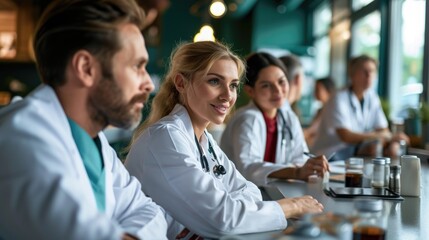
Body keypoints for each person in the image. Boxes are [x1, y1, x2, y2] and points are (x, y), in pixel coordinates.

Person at [0, 1, 180, 239]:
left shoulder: (97, 144)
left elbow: (149, 211)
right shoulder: (21, 134)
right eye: (137, 66)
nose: (148, 83)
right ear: (86, 68)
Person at [125, 41, 324, 238]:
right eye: (214, 81)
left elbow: (248, 191)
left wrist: (226, 207)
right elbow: (223, 218)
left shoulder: (205, 140)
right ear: (181, 83)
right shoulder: (165, 138)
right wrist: (291, 206)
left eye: (233, 85)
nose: (228, 95)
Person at [220, 52, 329, 186]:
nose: (278, 90)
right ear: (250, 91)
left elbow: (301, 156)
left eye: (281, 82)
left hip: (274, 190)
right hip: (241, 194)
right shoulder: (247, 119)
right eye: (266, 85)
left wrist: (311, 165)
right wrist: (296, 172)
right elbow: (247, 168)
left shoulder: (288, 117)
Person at [312, 55, 409, 160]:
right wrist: (381, 136)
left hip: (353, 154)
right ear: (352, 75)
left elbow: (383, 129)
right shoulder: (338, 98)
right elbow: (346, 136)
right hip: (331, 155)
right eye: (364, 71)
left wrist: (389, 139)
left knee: (390, 148)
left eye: (372, 71)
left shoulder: (372, 97)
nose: (369, 75)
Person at [304, 77, 336, 148]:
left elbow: (311, 130)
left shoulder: (331, 110)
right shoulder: (320, 110)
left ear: (328, 90)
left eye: (318, 89)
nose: (315, 92)